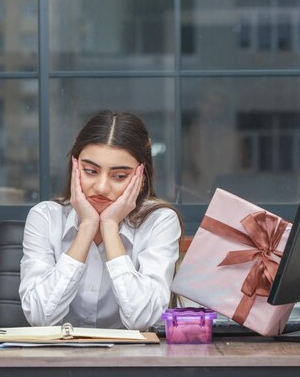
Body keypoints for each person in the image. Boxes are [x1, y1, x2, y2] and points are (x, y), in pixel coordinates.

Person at [19, 110, 183, 331]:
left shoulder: (160, 221)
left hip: (131, 361)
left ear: (141, 179)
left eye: (119, 176)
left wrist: (109, 226)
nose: (102, 187)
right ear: (74, 168)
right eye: (90, 171)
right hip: (57, 360)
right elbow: (40, 317)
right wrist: (86, 227)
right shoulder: (45, 217)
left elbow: (142, 320)